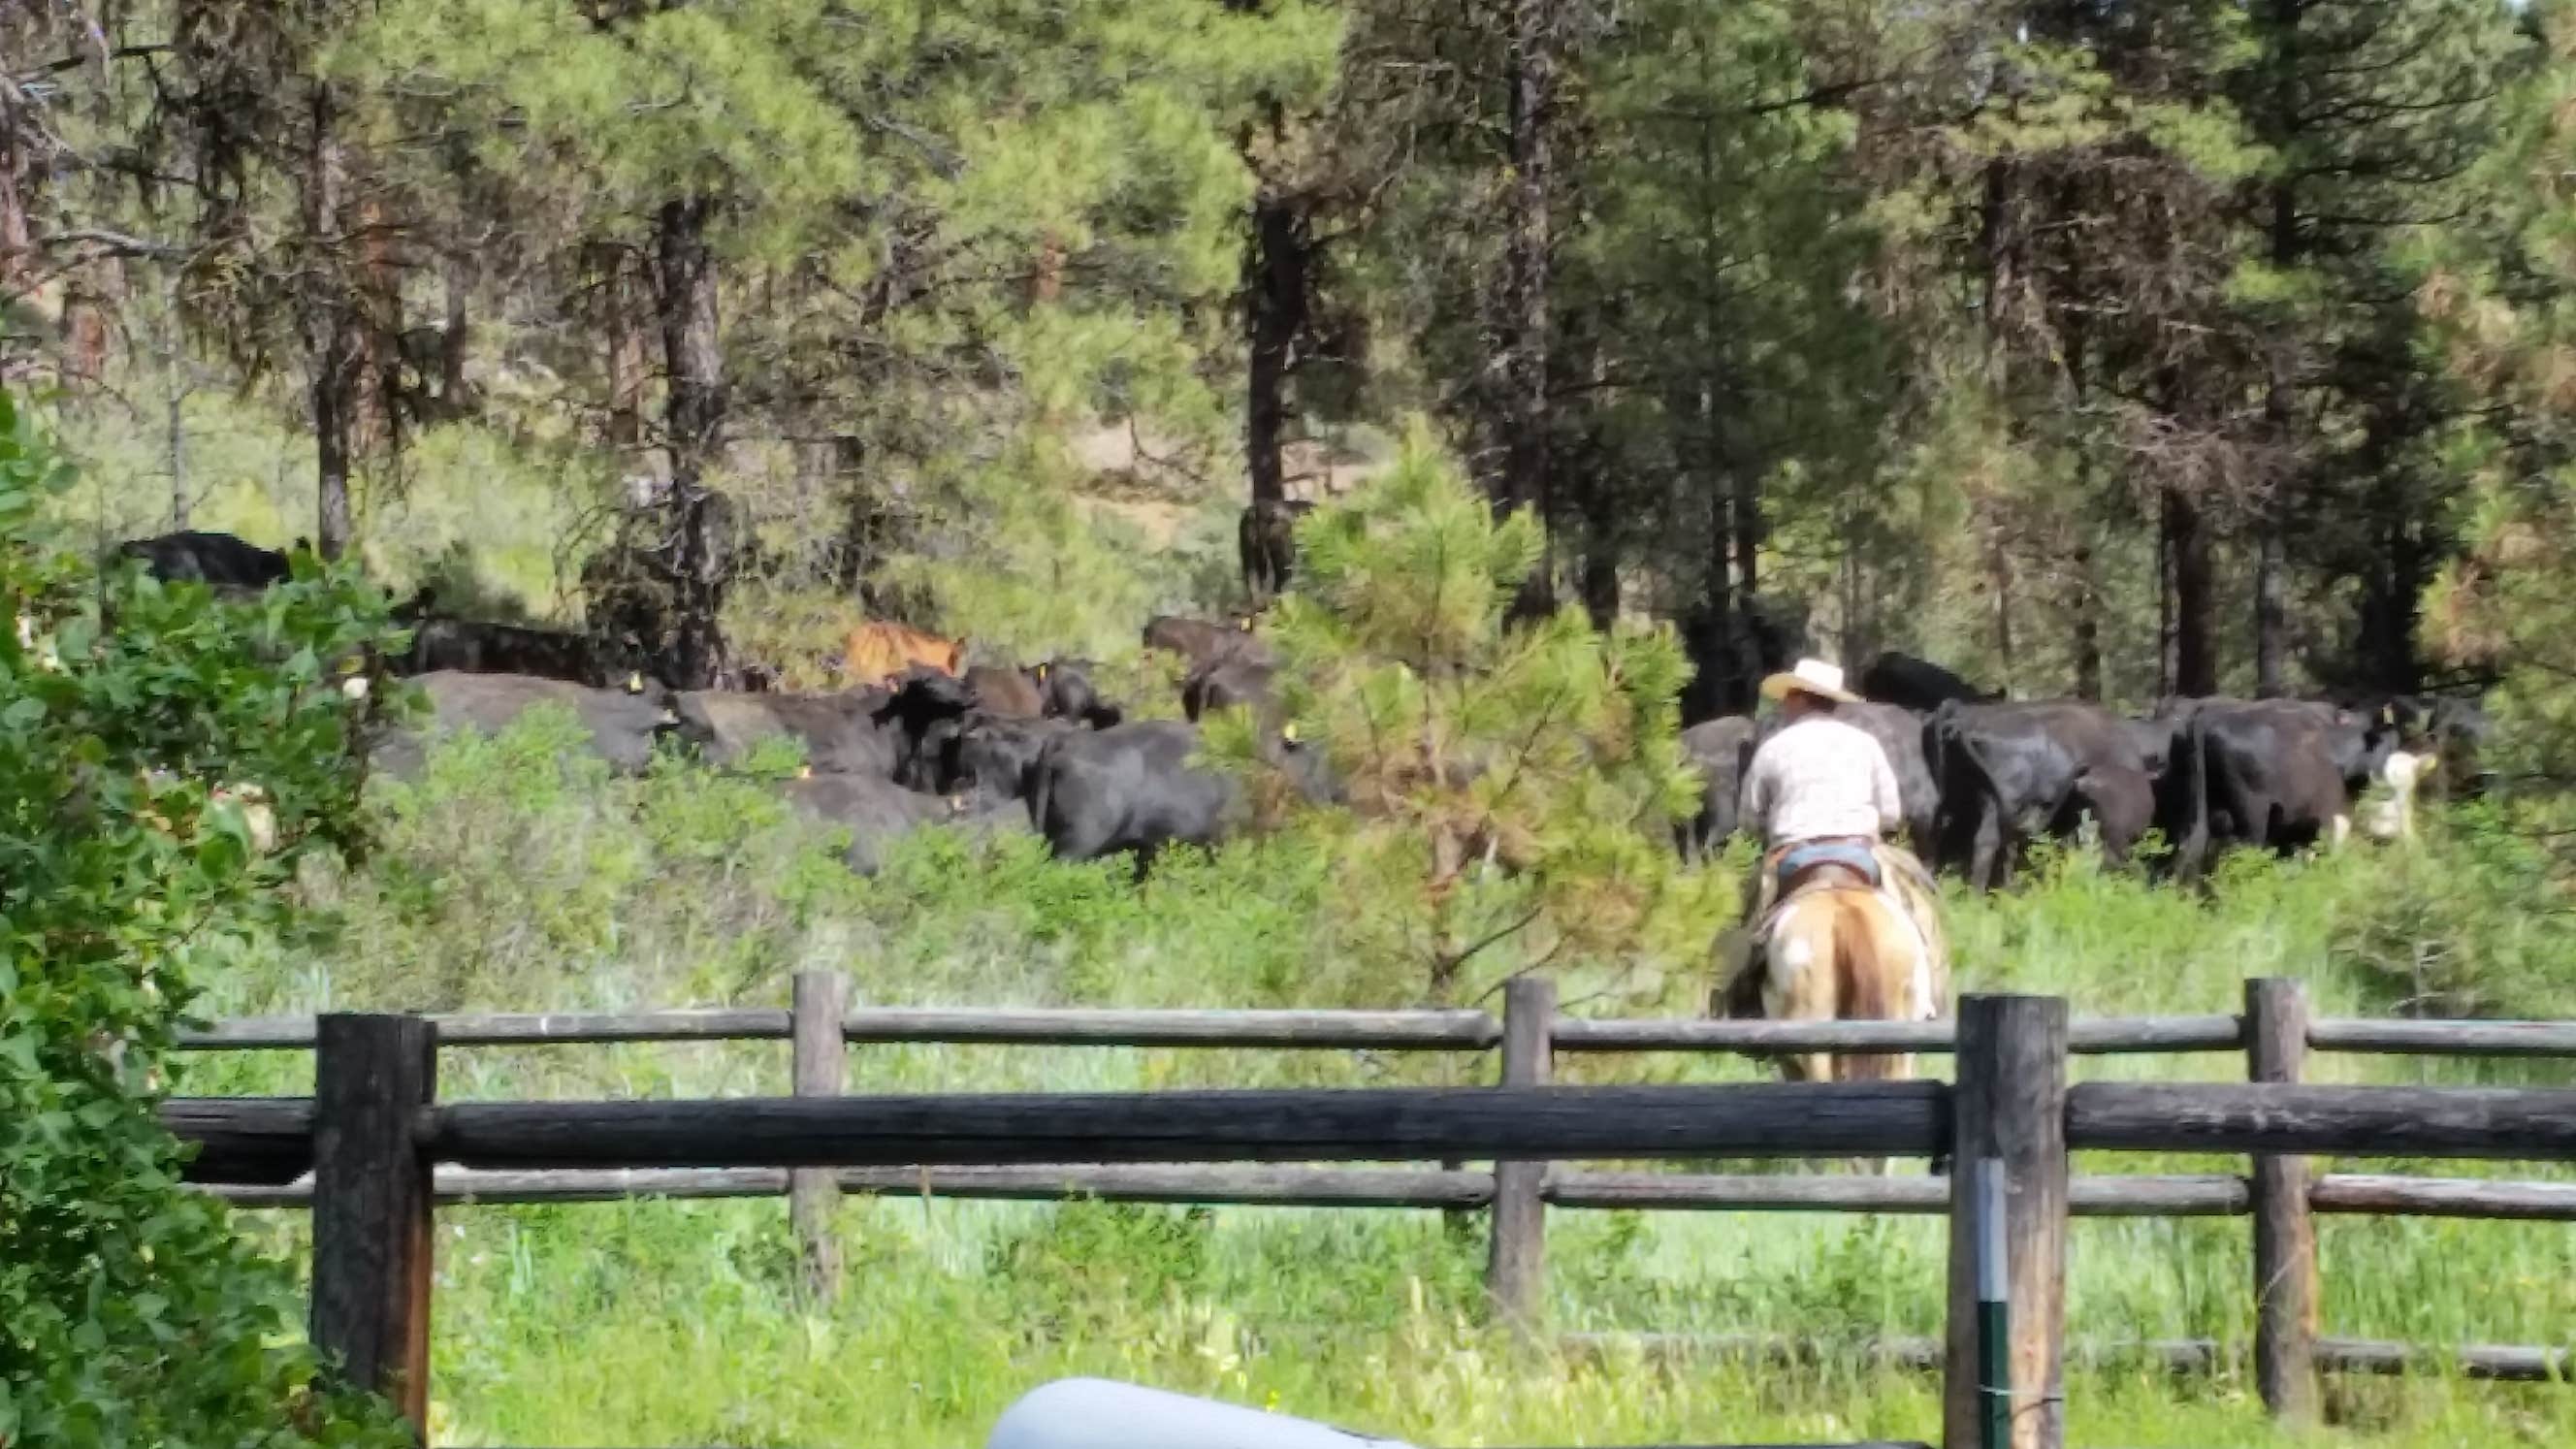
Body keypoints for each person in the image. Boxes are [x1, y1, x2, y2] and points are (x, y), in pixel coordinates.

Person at [1716, 657, 1939, 1016]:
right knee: (1922, 912)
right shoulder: (1865, 743)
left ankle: (1732, 1001)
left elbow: (1748, 818)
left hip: (1793, 856)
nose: (1784, 704)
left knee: (1745, 927)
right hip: (1862, 854)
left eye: (1788, 697)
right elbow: (1891, 813)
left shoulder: (1773, 747)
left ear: (1799, 698)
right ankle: (1930, 998)